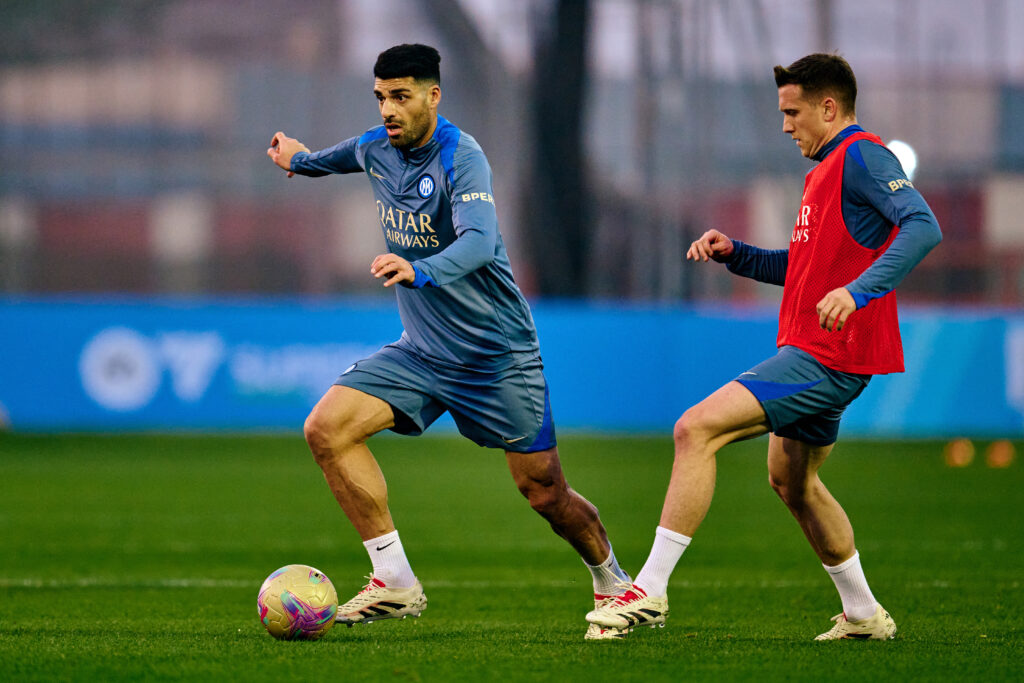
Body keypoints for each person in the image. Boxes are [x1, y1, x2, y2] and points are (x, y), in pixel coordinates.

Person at [266, 43, 631, 641]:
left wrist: (420, 270)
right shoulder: (374, 147)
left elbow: (480, 244)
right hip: (422, 352)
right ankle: (394, 581)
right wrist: (298, 159)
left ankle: (615, 582)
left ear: (433, 95)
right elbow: (329, 158)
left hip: (496, 356)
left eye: (402, 96)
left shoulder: (464, 157)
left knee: (544, 492)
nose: (388, 108)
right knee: (325, 430)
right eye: (381, 96)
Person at [587, 53, 942, 640]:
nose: (785, 125)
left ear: (829, 108)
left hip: (826, 355)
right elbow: (800, 268)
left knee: (694, 428)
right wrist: (737, 254)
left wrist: (857, 292)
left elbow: (923, 225)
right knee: (791, 481)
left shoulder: (862, 155)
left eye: (792, 111)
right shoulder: (826, 170)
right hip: (825, 352)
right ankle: (863, 614)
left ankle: (646, 590)